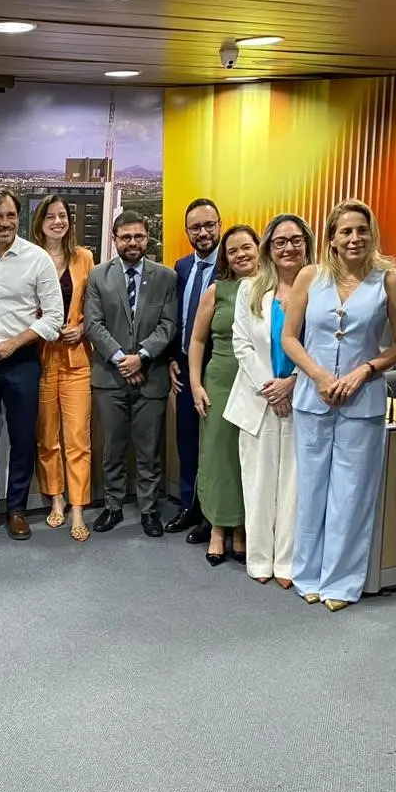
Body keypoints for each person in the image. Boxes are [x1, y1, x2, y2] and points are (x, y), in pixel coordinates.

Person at [281, 199, 396, 611]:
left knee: (351, 494)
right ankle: (307, 574)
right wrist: (319, 376)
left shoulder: (389, 280)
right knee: (312, 489)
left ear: (372, 234)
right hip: (313, 398)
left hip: (362, 400)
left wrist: (365, 370)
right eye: (346, 231)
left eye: (362, 230)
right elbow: (290, 337)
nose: (355, 238)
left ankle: (340, 583)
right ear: (332, 239)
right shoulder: (310, 276)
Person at [0, 188, 64, 540]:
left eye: (10, 215)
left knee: (22, 437)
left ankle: (16, 509)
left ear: (18, 218)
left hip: (22, 360)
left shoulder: (37, 259)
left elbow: (54, 317)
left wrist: (14, 343)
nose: (5, 223)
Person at [225, 215, 314, 587]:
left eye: (295, 240)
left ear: (307, 243)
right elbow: (241, 344)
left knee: (294, 487)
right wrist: (270, 387)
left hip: (303, 398)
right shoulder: (250, 289)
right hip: (259, 400)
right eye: (280, 242)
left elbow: (324, 346)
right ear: (268, 248)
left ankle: (288, 563)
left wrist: (292, 382)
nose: (288, 248)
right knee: (258, 484)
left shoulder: (322, 288)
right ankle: (260, 559)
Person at [84, 211, 178, 537]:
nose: (133, 242)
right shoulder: (98, 276)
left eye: (139, 236)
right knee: (113, 448)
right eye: (126, 237)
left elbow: (169, 325)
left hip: (151, 375)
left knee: (149, 450)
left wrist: (142, 358)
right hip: (110, 377)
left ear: (147, 237)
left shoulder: (166, 277)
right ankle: (113, 506)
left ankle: (149, 509)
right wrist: (123, 360)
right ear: (115, 239)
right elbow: (93, 324)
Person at [188, 225, 259, 565]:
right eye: (233, 251)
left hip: (258, 384)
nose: (240, 255)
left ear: (259, 249)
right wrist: (195, 384)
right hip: (219, 382)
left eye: (246, 247)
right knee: (218, 456)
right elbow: (197, 340)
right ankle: (218, 527)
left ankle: (241, 529)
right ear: (225, 258)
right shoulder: (216, 291)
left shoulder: (272, 288)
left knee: (247, 457)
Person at [31, 194, 95, 542]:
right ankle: (56, 499)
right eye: (50, 216)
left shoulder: (84, 258)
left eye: (63, 216)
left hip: (76, 359)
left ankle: (78, 506)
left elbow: (95, 306)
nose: (58, 222)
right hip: (41, 358)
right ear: (39, 223)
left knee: (77, 438)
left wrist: (82, 327)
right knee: (47, 437)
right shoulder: (29, 259)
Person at [167, 198, 221, 544]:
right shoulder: (182, 266)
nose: (203, 233)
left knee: (213, 447)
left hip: (219, 371)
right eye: (195, 227)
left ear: (220, 225)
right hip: (186, 370)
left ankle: (211, 515)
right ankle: (189, 504)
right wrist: (173, 357)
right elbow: (179, 318)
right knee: (187, 442)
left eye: (209, 225)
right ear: (187, 231)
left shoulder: (233, 267)